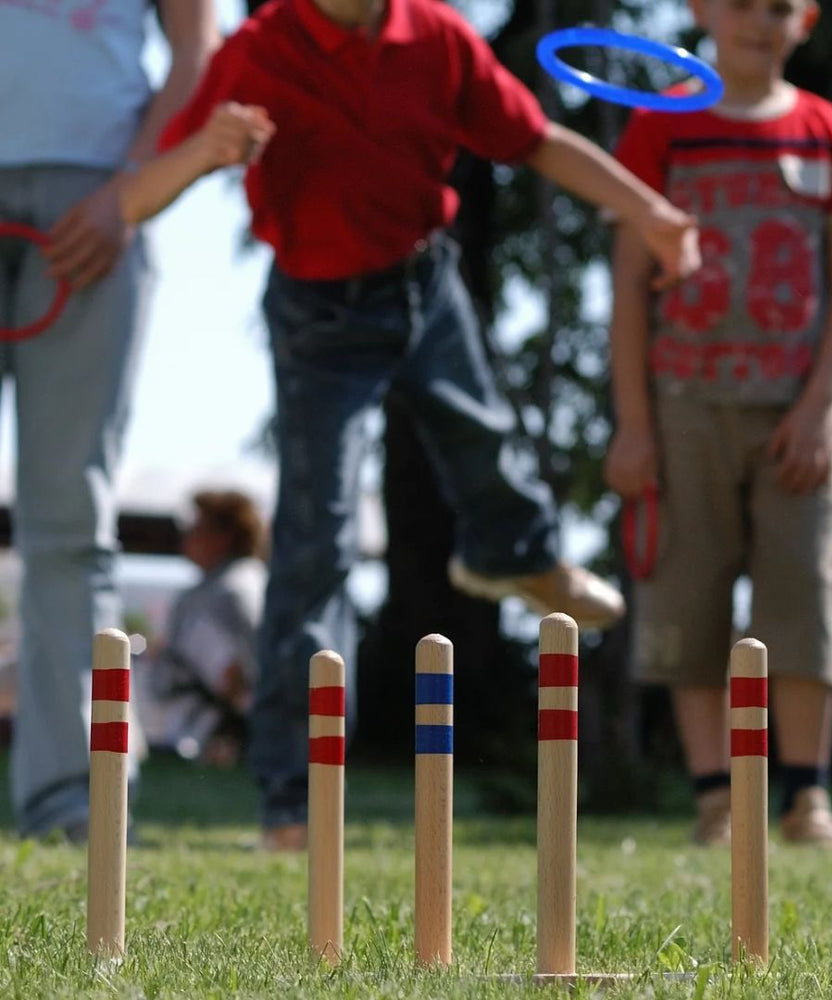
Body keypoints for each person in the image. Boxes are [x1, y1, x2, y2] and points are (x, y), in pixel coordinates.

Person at [118, 0, 703, 850]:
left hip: (425, 283)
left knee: (482, 434)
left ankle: (521, 555)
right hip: (319, 313)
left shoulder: (436, 37)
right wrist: (205, 151)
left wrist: (647, 210)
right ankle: (293, 799)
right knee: (313, 543)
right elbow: (141, 194)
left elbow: (537, 141)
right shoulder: (258, 51)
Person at [605, 0, 832, 848]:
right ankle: (718, 800)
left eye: (779, 7)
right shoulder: (663, 130)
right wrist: (633, 423)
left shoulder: (829, 132)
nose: (760, 21)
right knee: (688, 594)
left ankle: (806, 801)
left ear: (807, 19)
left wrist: (824, 406)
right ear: (701, 11)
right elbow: (624, 288)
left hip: (795, 411)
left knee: (800, 592)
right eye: (741, 4)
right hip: (683, 405)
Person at [0, 1, 219, 841]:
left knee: (68, 518)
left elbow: (199, 49)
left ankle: (70, 804)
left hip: (93, 204)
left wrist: (128, 189)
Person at [135, 490, 268, 767]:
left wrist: (231, 737)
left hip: (211, 736)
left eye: (197, 528)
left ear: (224, 536)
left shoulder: (228, 591)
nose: (187, 537)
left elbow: (235, 677)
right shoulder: (247, 580)